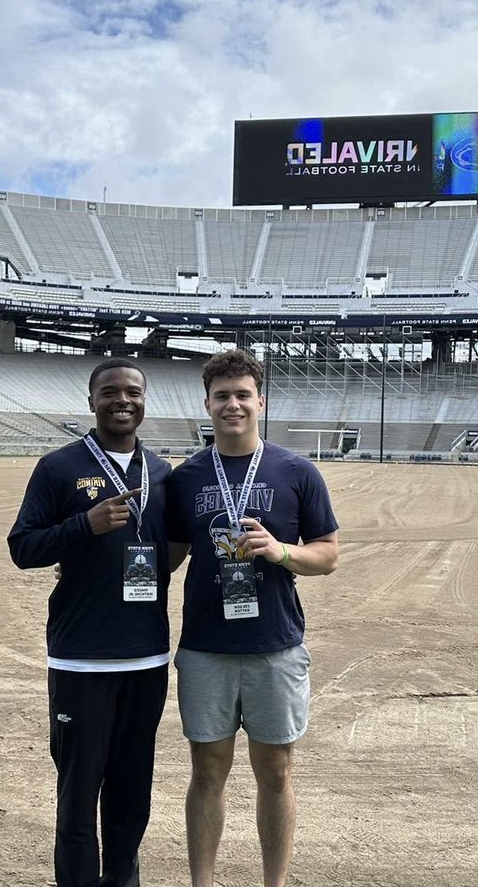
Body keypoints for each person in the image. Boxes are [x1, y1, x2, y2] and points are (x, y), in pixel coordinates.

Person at [165, 348, 339, 887]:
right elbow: (167, 556)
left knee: (276, 772)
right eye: (223, 396)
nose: (233, 405)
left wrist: (280, 551)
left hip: (275, 647)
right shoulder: (185, 477)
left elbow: (327, 556)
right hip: (206, 649)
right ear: (207, 404)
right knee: (207, 771)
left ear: (261, 402)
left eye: (243, 395)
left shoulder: (296, 471)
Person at [8, 357, 177, 887]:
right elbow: (22, 548)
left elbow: (169, 550)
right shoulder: (58, 467)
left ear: (145, 401)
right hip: (81, 657)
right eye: (110, 392)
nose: (122, 400)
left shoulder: (163, 472)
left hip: (147, 655)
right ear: (91, 401)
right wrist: (86, 524)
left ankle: (124, 880)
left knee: (132, 792)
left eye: (132, 392)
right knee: (79, 796)